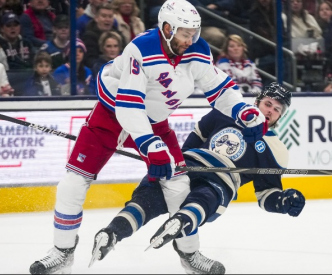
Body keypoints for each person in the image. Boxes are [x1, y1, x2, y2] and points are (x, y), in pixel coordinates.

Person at [29, 0, 268, 273]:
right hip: (109, 117)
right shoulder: (140, 49)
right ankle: (63, 251)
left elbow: (219, 87)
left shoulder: (198, 51)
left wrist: (243, 110)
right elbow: (129, 105)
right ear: (167, 28)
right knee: (72, 184)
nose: (190, 40)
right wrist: (150, 146)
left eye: (194, 33)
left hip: (155, 122)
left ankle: (190, 255)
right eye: (184, 33)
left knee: (178, 186)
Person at [90, 83, 305, 274]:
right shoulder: (226, 111)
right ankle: (119, 232)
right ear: (257, 101)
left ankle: (117, 231)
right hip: (193, 166)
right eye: (268, 103)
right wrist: (179, 164)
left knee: (182, 198)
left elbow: (267, 195)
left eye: (277, 109)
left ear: (280, 117)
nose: (270, 111)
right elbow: (192, 143)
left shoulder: (275, 149)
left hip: (219, 178)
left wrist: (284, 202)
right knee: (160, 198)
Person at [81, 3, 125, 68]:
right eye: (104, 16)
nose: (107, 19)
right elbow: (89, 60)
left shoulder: (119, 36)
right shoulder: (88, 36)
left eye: (110, 16)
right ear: (96, 18)